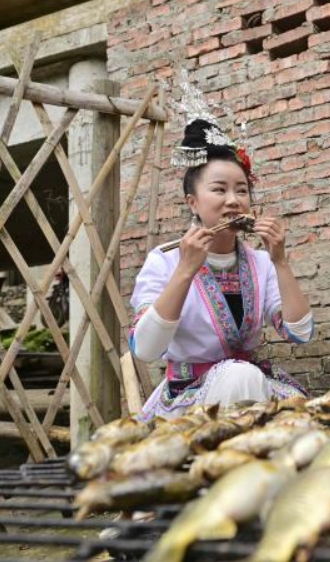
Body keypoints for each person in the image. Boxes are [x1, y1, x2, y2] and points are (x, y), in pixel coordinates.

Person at [130, 86, 312, 421]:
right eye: (219, 189)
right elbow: (145, 349)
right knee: (240, 378)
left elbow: (299, 333)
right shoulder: (165, 259)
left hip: (252, 386)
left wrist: (280, 261)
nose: (233, 200)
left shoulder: (260, 263)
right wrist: (185, 270)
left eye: (241, 190)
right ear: (193, 202)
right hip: (190, 399)